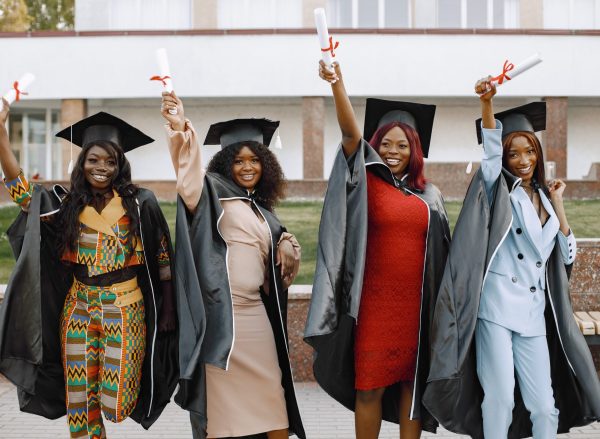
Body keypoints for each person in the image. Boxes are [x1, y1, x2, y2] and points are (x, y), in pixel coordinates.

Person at [422, 77, 600, 438]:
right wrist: (487, 104)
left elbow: (566, 256)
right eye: (513, 153)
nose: (522, 160)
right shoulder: (497, 189)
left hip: (533, 314)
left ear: (538, 154)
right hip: (497, 311)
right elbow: (488, 155)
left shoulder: (546, 198)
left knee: (544, 407)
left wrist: (559, 205)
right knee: (500, 398)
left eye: (529, 151)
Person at [0, 103, 179, 438]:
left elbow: (163, 259)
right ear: (82, 163)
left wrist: (168, 309)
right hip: (78, 308)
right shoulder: (68, 206)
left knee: (116, 405)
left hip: (125, 309)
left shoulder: (141, 203)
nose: (102, 168)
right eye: (94, 159)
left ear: (121, 165)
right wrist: (0, 135)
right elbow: (22, 192)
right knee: (80, 403)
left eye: (111, 161)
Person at [304, 61, 450, 439]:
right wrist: (338, 84)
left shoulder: (429, 196)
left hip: (415, 308)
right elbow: (349, 133)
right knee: (369, 387)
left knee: (410, 388)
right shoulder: (366, 180)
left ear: (414, 150)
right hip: (373, 306)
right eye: (385, 143)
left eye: (402, 145)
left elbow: (443, 255)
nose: (392, 151)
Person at [160, 91, 305, 439]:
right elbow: (188, 179)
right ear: (226, 163)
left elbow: (273, 240)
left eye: (255, 160)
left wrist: (287, 239)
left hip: (256, 317)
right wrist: (180, 129)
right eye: (238, 160)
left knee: (274, 399)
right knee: (222, 418)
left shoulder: (262, 210)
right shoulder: (209, 193)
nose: (247, 167)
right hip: (220, 321)